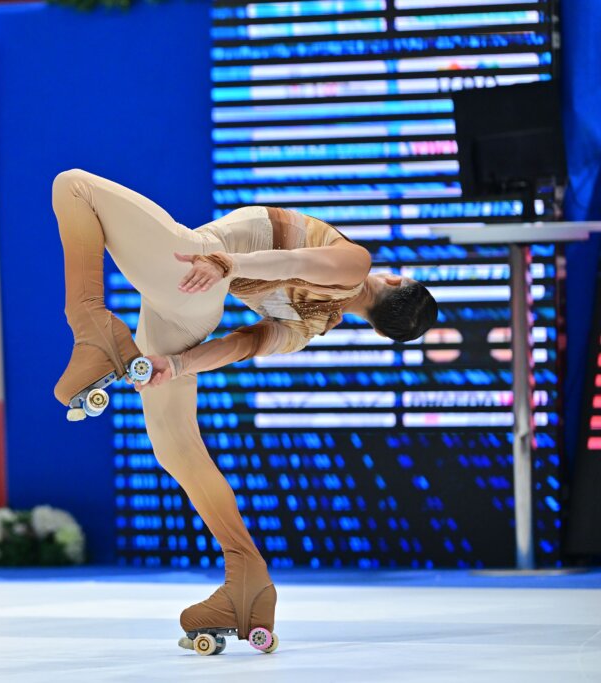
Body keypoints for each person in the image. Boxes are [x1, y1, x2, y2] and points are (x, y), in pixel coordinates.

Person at [52, 169, 437, 653]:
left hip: (196, 266)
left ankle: (90, 325)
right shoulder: (309, 329)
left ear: (397, 279)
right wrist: (176, 365)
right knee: (175, 447)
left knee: (73, 186)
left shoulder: (357, 264)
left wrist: (223, 263)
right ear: (381, 330)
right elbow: (245, 343)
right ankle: (247, 579)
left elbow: (294, 260)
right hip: (188, 302)